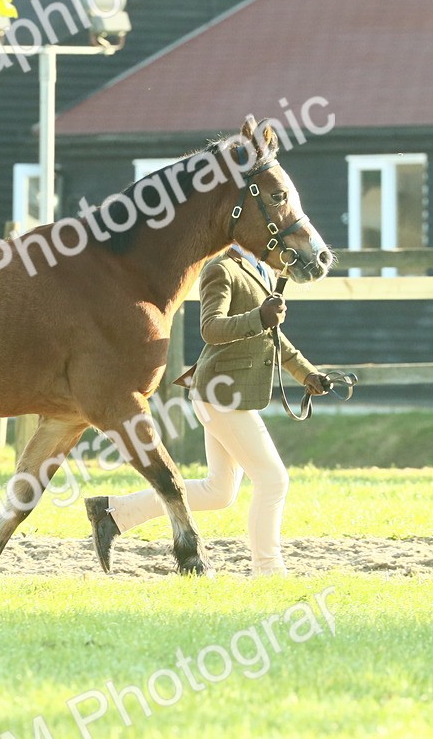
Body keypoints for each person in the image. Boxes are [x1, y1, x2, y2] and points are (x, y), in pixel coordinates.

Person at [85, 244, 329, 577]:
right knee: (273, 480)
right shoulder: (221, 270)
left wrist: (307, 373)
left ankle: (113, 512)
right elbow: (211, 328)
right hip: (220, 394)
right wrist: (259, 316)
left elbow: (272, 338)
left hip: (230, 395)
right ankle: (268, 569)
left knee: (220, 492)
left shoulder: (262, 270)